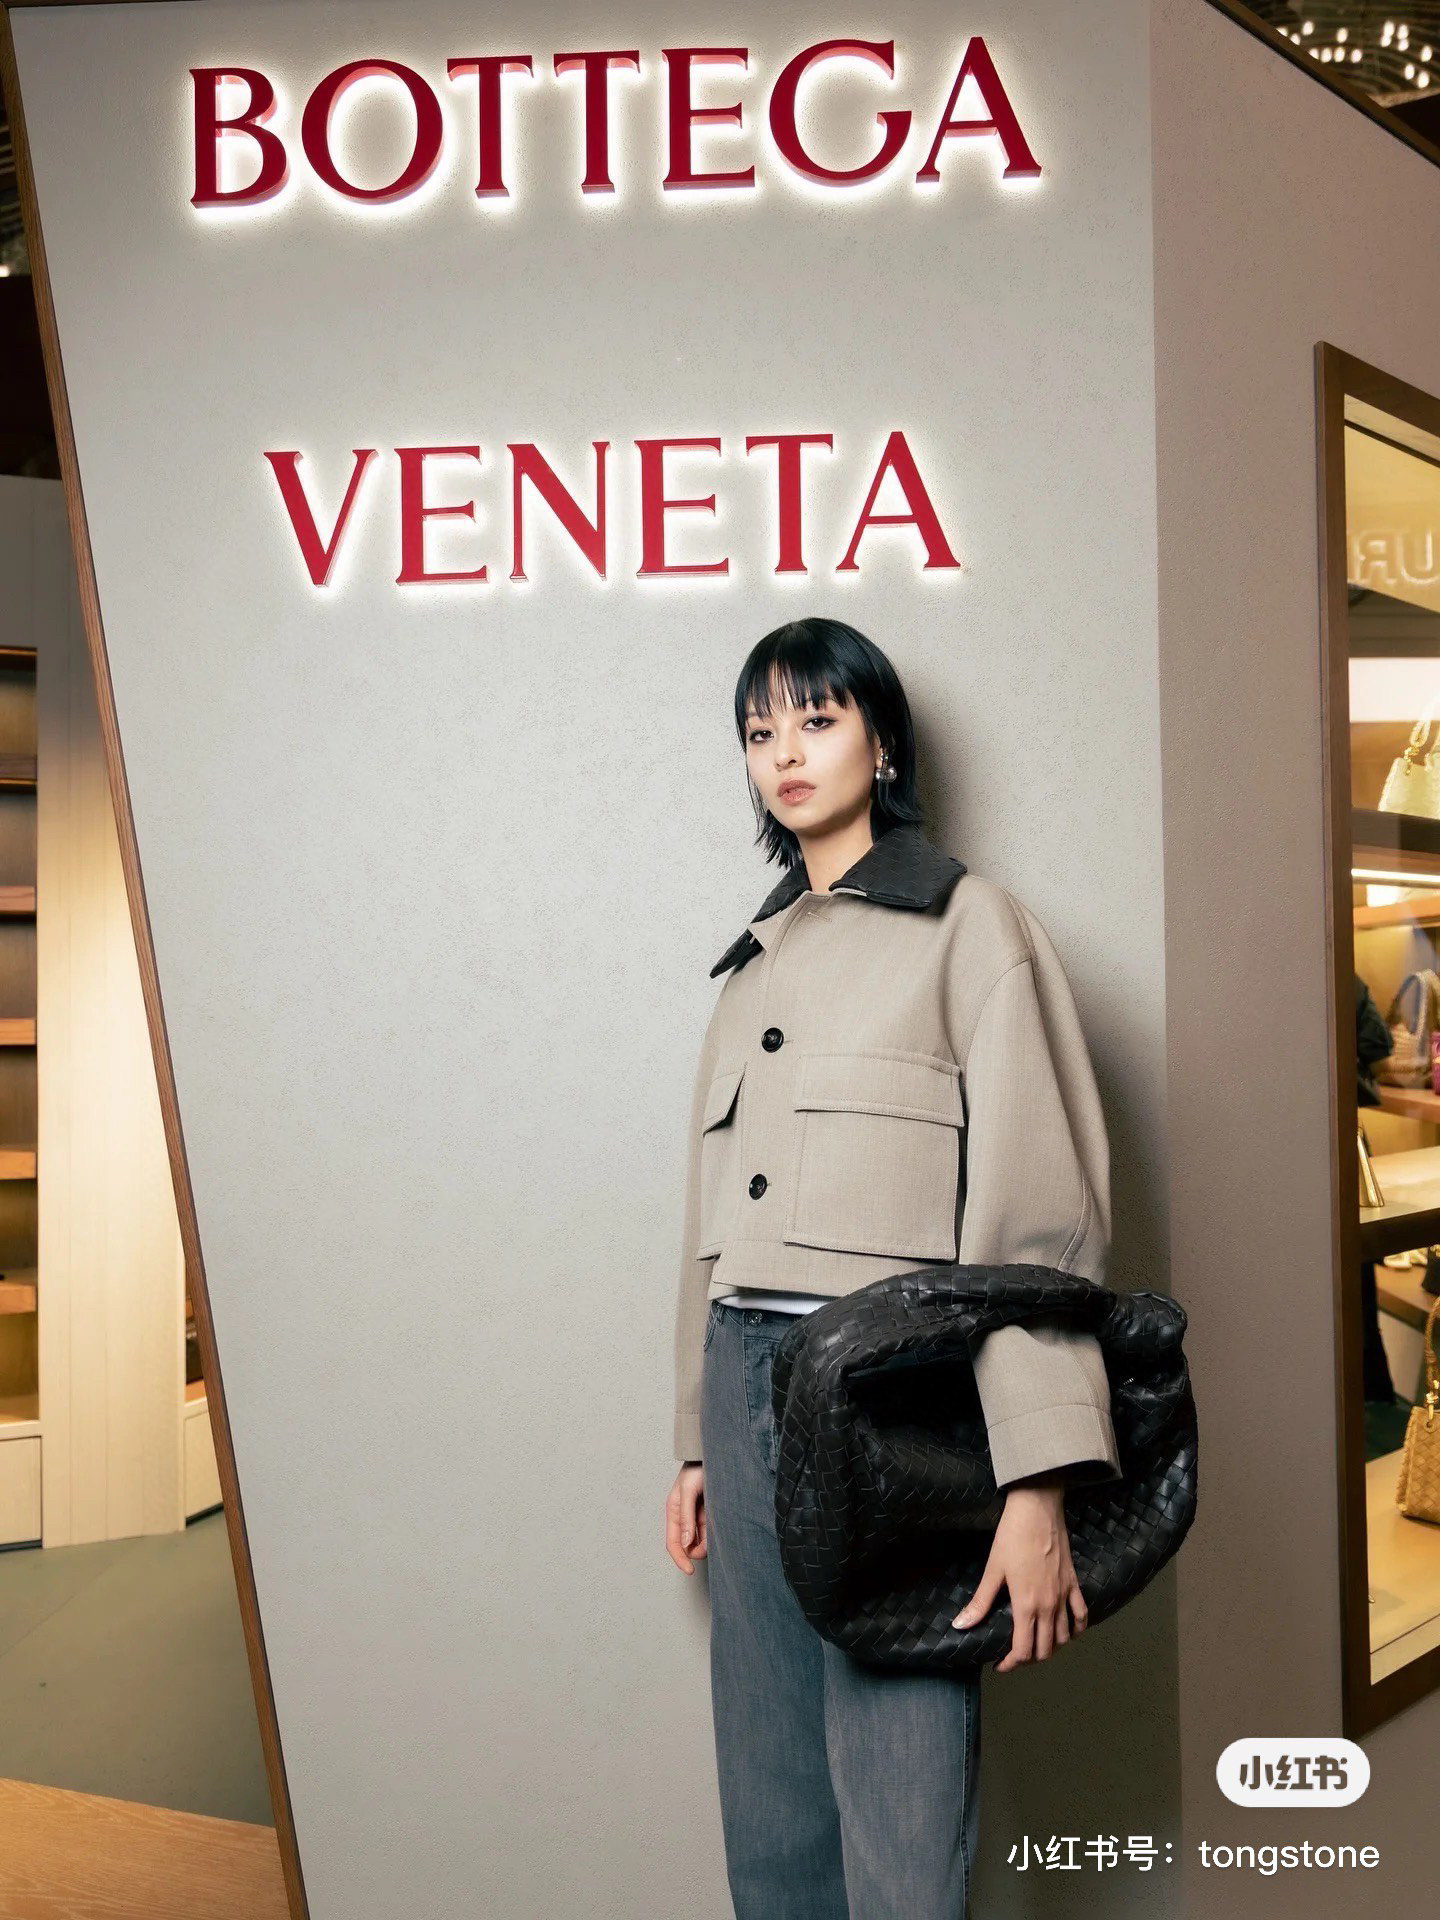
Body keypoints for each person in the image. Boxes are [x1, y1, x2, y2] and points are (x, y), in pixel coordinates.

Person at [663, 616, 1123, 1920]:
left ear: (883, 743)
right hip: (742, 1390)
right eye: (760, 731)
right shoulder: (754, 964)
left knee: (904, 1803)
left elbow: (1039, 1231)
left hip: (893, 1405)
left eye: (816, 720)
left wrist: (1035, 1482)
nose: (785, 753)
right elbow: (710, 1231)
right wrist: (696, 1444)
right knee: (769, 1796)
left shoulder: (973, 930)